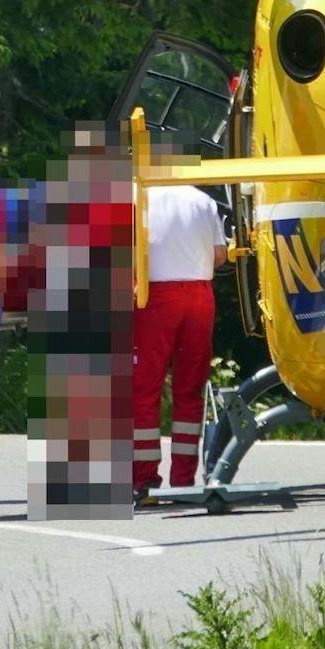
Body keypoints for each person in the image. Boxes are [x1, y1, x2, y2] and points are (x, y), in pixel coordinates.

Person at [133, 181, 226, 504]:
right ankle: (183, 482)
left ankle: (145, 482)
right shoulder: (203, 201)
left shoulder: (138, 196)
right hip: (200, 296)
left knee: (145, 389)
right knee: (190, 389)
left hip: (155, 296)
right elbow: (219, 256)